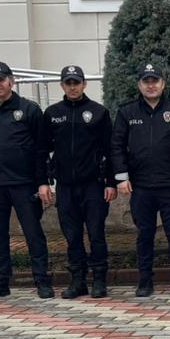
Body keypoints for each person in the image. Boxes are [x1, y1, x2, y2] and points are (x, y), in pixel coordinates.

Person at [0, 60, 52, 300]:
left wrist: (43, 182)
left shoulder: (29, 109)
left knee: (33, 234)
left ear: (11, 81)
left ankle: (42, 281)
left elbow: (41, 149)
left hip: (24, 184)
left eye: (1, 79)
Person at [112, 62, 170, 297]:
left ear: (163, 84)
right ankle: (145, 281)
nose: (150, 85)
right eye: (146, 81)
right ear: (139, 85)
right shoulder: (127, 113)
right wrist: (122, 178)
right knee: (144, 234)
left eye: (154, 81)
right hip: (141, 186)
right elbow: (117, 146)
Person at [44, 65, 114, 300]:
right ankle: (78, 281)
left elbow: (110, 150)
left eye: (76, 82)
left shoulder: (98, 112)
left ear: (84, 84)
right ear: (62, 85)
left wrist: (110, 182)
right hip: (65, 186)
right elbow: (42, 150)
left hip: (93, 185)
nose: (72, 87)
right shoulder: (52, 113)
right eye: (68, 83)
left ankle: (99, 280)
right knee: (72, 236)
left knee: (96, 233)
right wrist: (43, 181)